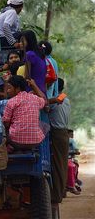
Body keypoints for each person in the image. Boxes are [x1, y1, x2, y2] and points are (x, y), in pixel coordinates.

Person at [3, 76, 46, 150]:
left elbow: (6, 123)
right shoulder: (35, 98)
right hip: (35, 141)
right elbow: (44, 100)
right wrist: (34, 86)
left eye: (9, 88)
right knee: (45, 126)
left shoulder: (11, 102)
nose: (7, 91)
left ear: (18, 89)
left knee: (4, 126)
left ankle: (10, 147)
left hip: (15, 141)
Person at [49, 78, 71, 207]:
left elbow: (46, 105)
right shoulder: (65, 98)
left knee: (57, 165)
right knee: (61, 164)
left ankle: (56, 195)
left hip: (57, 133)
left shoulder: (56, 100)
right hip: (64, 133)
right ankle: (61, 192)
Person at [21, 30, 47, 94]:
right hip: (41, 89)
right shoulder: (40, 54)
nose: (20, 43)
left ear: (29, 41)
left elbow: (27, 76)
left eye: (22, 41)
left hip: (32, 90)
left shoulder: (29, 54)